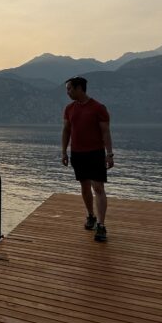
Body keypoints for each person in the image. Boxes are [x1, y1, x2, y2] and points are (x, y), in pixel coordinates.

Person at [61, 76, 114, 242]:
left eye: (69, 89)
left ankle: (101, 225)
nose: (67, 92)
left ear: (79, 88)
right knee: (84, 187)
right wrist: (64, 151)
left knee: (98, 187)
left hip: (95, 153)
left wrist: (109, 154)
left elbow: (106, 132)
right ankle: (91, 216)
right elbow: (66, 131)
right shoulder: (69, 109)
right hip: (77, 153)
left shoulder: (98, 108)